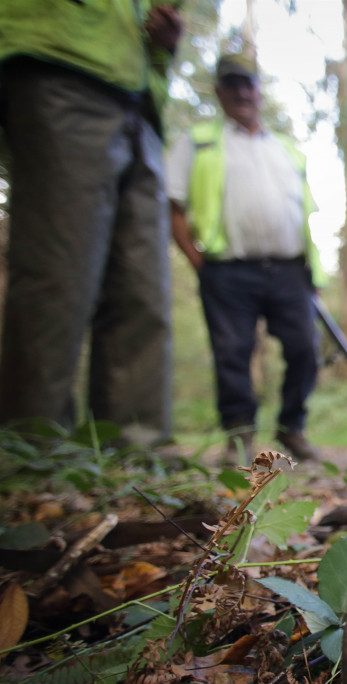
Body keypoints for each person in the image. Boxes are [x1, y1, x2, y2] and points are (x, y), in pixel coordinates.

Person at [0, 1, 182, 445]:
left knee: (143, 292)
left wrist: (163, 47)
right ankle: (34, 452)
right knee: (59, 271)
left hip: (142, 98)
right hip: (59, 59)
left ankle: (138, 454)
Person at [166, 53, 326, 463]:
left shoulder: (287, 149)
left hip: (290, 269)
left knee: (305, 348)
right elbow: (174, 206)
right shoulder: (198, 140)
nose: (241, 92)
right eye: (231, 85)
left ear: (258, 91)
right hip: (227, 270)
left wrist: (314, 272)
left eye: (247, 84)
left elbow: (306, 214)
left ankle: (292, 428)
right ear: (219, 93)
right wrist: (197, 261)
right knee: (232, 352)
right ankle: (239, 437)